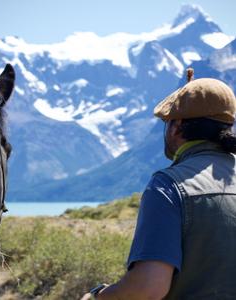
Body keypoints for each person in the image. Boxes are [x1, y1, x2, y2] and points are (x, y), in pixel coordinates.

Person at [81, 70, 236, 300]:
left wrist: (101, 295)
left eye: (167, 122)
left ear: (177, 126)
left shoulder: (168, 186)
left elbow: (149, 287)